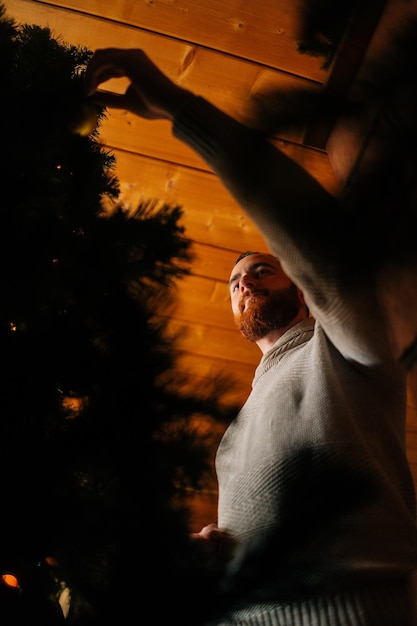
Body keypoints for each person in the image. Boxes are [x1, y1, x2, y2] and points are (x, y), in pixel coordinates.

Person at [84, 49, 417, 625]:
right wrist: (216, 556)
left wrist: (180, 108)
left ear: (300, 284)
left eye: (262, 268)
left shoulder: (342, 347)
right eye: (236, 280)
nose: (246, 281)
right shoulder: (232, 438)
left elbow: (323, 255)